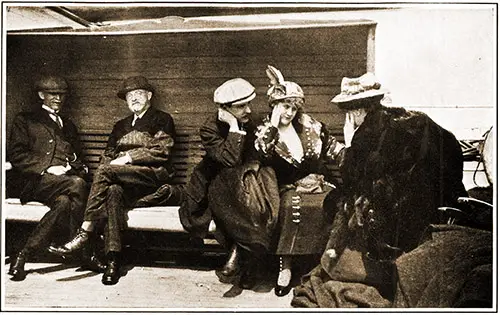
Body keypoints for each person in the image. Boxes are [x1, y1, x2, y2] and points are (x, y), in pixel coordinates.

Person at [291, 72, 469, 307]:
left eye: (348, 113)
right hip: (438, 209)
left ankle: (354, 266)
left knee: (338, 203)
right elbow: (453, 149)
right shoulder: (413, 119)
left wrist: (350, 142)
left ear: (355, 112)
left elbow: (355, 180)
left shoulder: (366, 136)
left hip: (396, 222)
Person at [48, 76, 176, 285]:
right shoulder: (120, 126)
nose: (133, 98)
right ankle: (113, 260)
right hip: (123, 181)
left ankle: (85, 231)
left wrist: (128, 157)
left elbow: (161, 151)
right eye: (129, 96)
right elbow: (107, 155)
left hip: (152, 175)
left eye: (138, 94)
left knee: (106, 172)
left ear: (149, 96)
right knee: (113, 191)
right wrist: (112, 162)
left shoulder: (162, 119)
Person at [250, 65, 345, 296]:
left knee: (338, 203)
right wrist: (273, 125)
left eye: (294, 108)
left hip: (319, 183)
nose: (289, 113)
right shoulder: (263, 130)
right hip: (286, 188)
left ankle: (328, 265)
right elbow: (261, 152)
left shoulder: (311, 126)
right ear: (274, 106)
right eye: (285, 106)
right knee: (291, 207)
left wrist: (353, 150)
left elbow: (335, 150)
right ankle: (287, 267)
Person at [7, 75, 91, 281]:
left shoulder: (68, 125)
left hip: (61, 187)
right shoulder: (25, 120)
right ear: (41, 95)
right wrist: (47, 168)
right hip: (34, 182)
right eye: (53, 94)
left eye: (61, 95)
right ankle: (84, 250)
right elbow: (17, 156)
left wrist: (71, 166)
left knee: (63, 203)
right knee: (78, 184)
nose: (58, 99)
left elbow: (79, 159)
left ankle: (23, 254)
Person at [177, 78, 258, 285]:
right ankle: (243, 262)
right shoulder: (210, 128)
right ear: (225, 108)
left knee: (248, 204)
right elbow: (229, 159)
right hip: (209, 186)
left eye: (249, 104)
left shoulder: (252, 124)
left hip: (240, 184)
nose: (248, 110)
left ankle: (242, 261)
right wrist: (233, 126)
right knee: (230, 207)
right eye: (241, 107)